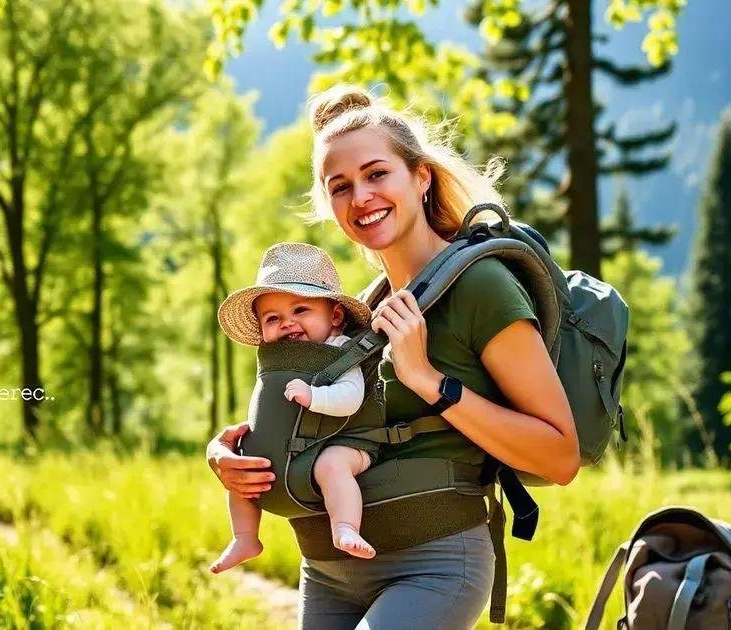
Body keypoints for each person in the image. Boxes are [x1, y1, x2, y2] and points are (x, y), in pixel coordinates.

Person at [205, 84, 580, 629]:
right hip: (329, 571)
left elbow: (559, 456)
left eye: (377, 174)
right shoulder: (363, 307)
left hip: (433, 566)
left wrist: (428, 380)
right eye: (341, 186)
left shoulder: (482, 288)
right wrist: (232, 453)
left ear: (420, 177)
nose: (360, 197)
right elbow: (335, 422)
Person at [209, 242, 376, 574]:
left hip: (345, 443)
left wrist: (314, 397)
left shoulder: (340, 350)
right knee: (244, 464)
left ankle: (345, 526)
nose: (286, 323)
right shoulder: (275, 357)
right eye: (273, 318)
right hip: (289, 449)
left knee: (332, 465)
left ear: (336, 317)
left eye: (300, 311)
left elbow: (351, 397)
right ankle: (245, 537)